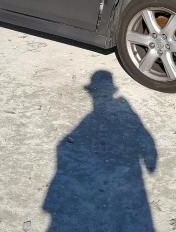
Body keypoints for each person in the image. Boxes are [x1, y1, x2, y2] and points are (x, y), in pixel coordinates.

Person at [43, 70, 158, 232]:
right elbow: (144, 137)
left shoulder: (95, 117)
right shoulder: (117, 111)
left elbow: (63, 147)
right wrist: (150, 161)